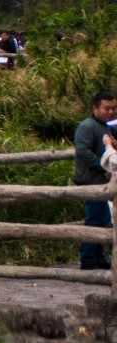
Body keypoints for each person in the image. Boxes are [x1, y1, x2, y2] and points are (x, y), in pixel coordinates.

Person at [73, 92, 117, 271]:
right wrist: (103, 167)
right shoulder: (88, 126)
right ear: (95, 108)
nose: (111, 112)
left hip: (101, 182)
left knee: (103, 219)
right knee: (95, 220)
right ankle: (88, 258)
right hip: (91, 182)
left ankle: (98, 256)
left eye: (114, 108)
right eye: (107, 108)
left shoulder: (105, 126)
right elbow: (82, 150)